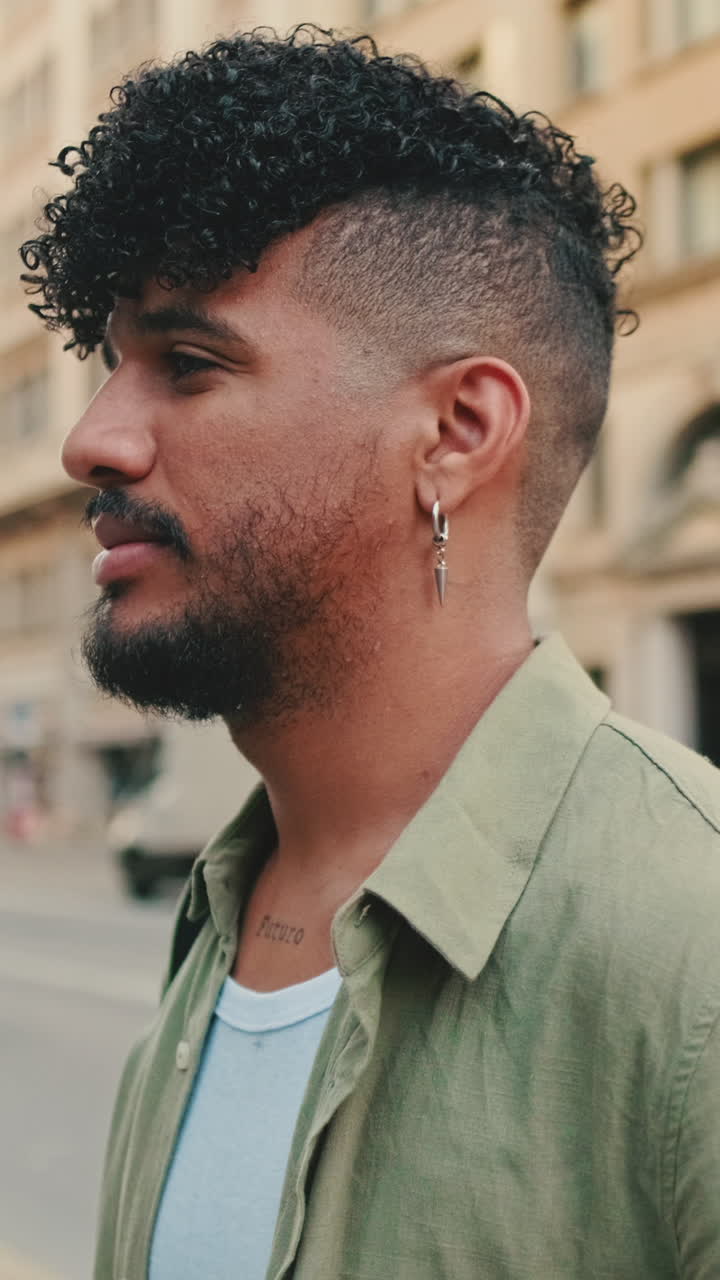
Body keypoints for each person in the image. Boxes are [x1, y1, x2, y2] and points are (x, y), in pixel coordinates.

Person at [21, 27, 720, 1280]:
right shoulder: (219, 926)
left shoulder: (692, 940)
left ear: (457, 430)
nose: (93, 440)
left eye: (187, 363)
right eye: (110, 367)